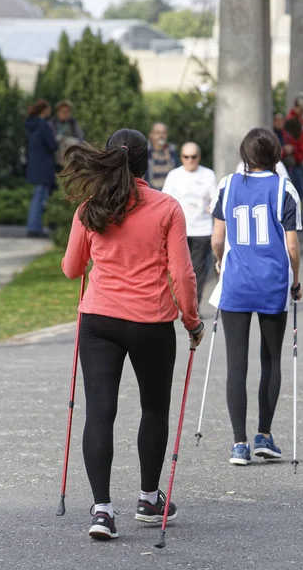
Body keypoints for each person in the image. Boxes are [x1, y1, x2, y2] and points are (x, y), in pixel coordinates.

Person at [60, 128, 205, 540]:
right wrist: (191, 321)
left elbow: (72, 269)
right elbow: (182, 272)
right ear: (146, 162)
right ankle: (148, 499)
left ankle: (102, 511)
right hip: (151, 323)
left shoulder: (91, 207)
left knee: (100, 412)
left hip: (99, 322)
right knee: (154, 408)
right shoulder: (167, 208)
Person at [210, 128, 302, 466]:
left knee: (237, 363)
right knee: (271, 360)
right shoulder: (284, 189)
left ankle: (239, 443)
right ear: (276, 154)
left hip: (236, 283)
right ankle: (264, 434)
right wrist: (296, 280)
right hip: (272, 283)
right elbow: (292, 245)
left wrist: (220, 262)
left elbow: (217, 238)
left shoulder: (227, 184)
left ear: (244, 154)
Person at [162, 142, 217, 307]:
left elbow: (215, 200)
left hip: (202, 229)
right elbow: (165, 201)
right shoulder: (174, 175)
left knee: (197, 271)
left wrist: (211, 207)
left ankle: (193, 305)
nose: (190, 160)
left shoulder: (208, 175)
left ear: (199, 157)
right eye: (186, 157)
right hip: (179, 230)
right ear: (181, 158)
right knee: (178, 270)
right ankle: (178, 299)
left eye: (193, 157)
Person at [25, 99, 57, 238]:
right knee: (40, 197)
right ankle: (35, 228)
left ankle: (34, 226)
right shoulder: (44, 125)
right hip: (44, 165)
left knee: (37, 196)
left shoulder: (31, 125)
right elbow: (52, 145)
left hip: (34, 164)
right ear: (44, 110)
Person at [286, 92, 303, 201]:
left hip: (302, 161)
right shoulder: (291, 120)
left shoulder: (301, 120)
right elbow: (293, 143)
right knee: (298, 191)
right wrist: (301, 158)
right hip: (296, 162)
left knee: (302, 191)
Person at [50, 99, 85, 168]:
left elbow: (81, 138)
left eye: (67, 112)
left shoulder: (73, 123)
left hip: (71, 158)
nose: (65, 114)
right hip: (56, 159)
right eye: (63, 112)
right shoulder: (53, 123)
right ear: (58, 112)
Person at [147, 123, 180, 190]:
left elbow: (179, 174)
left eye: (164, 133)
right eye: (157, 133)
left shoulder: (172, 152)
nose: (161, 136)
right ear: (151, 135)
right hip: (151, 194)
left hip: (169, 195)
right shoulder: (145, 153)